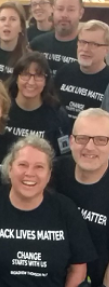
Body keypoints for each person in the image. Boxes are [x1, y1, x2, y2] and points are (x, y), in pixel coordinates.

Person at [0, 136, 97, 287]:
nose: (29, 173)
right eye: (23, 165)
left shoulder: (66, 209)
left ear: (49, 174)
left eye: (39, 167)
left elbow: (78, 268)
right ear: (10, 168)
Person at [53, 109, 109, 287]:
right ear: (71, 141)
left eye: (101, 140)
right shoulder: (53, 173)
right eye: (82, 138)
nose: (89, 147)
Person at [5, 52, 71, 156]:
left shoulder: (57, 115)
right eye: (25, 74)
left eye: (38, 76)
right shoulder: (1, 108)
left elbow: (64, 156)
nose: (31, 82)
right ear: (16, 78)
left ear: (46, 81)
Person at [55, 20, 109, 123]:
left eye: (93, 44)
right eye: (82, 42)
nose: (85, 49)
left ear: (107, 49)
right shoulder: (64, 72)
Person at [30, 0, 84, 75]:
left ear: (80, 13)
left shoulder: (87, 48)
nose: (64, 14)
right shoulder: (37, 44)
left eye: (71, 10)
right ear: (53, 10)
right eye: (60, 9)